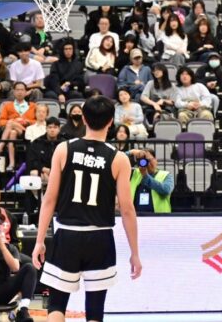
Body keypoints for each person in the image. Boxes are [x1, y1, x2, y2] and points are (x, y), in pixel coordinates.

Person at [31, 96, 142, 322]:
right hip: (100, 237)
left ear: (83, 118)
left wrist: (40, 240)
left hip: (67, 235)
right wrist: (135, 252)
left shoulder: (64, 149)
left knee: (56, 305)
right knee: (95, 310)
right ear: (111, 121)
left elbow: (49, 199)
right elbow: (127, 210)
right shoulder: (119, 158)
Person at [0, 82, 36, 171]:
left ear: (26, 92)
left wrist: (27, 121)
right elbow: (1, 121)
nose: (20, 92)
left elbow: (38, 121)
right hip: (13, 132)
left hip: (27, 131)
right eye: (17, 90)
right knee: (12, 132)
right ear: (14, 92)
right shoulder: (7, 106)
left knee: (11, 122)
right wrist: (15, 122)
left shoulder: (33, 106)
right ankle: (12, 163)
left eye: (22, 90)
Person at [127, 148, 173, 213]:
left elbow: (166, 190)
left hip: (159, 217)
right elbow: (116, 161)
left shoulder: (166, 175)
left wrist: (145, 176)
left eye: (149, 160)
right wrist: (131, 152)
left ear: (156, 160)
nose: (147, 163)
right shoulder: (134, 173)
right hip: (136, 216)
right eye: (144, 161)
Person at [44, 40, 85, 104]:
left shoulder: (78, 64)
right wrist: (60, 93)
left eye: (70, 49)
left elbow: (80, 81)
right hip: (57, 89)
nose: (68, 51)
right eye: (66, 49)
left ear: (73, 50)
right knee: (50, 95)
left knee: (77, 95)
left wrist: (70, 83)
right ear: (62, 50)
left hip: (71, 89)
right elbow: (53, 81)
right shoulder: (56, 64)